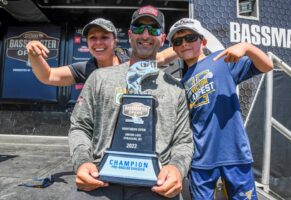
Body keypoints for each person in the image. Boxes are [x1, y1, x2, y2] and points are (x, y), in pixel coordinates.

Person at [66, 6, 193, 200]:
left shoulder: (176, 89)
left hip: (156, 185)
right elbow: (80, 127)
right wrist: (82, 162)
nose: (145, 34)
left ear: (162, 37)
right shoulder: (99, 77)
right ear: (130, 34)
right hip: (100, 181)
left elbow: (183, 141)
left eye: (153, 29)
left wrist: (177, 168)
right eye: (139, 27)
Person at [167, 18, 273, 200]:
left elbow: (267, 66)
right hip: (201, 158)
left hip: (235, 153)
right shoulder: (181, 84)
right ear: (175, 49)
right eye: (177, 41)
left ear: (203, 41)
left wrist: (247, 47)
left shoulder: (222, 60)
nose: (184, 44)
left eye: (190, 37)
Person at [26, 18, 177, 86]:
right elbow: (48, 76)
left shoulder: (129, 56)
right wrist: (33, 53)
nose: (98, 42)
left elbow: (163, 56)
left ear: (115, 41)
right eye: (93, 38)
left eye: (104, 37)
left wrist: (186, 44)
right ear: (88, 42)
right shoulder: (86, 68)